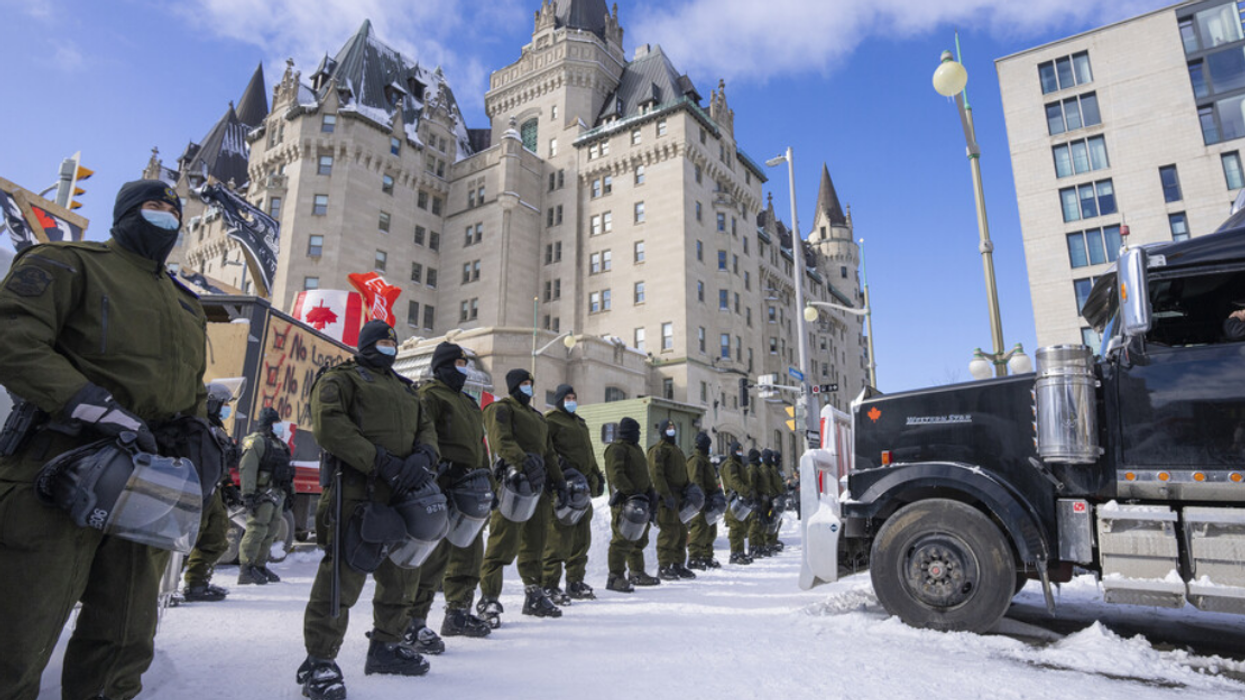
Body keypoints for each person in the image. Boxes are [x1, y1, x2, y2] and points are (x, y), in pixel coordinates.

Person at [0, 180, 209, 700]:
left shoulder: (188, 306)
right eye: (152, 207)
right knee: (19, 632)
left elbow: (192, 387)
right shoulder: (68, 262)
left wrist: (203, 436)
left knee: (124, 635)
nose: (165, 216)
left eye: (173, 210)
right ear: (125, 213)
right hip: (58, 467)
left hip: (149, 481)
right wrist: (95, 405)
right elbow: (13, 340)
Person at [298, 320, 440, 700]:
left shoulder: (408, 390)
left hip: (403, 495)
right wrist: (380, 461)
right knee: (342, 578)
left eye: (392, 341)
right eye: (381, 341)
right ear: (365, 344)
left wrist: (423, 458)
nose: (389, 346)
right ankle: (320, 660)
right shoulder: (342, 380)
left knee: (402, 575)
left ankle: (386, 646)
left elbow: (427, 431)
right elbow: (330, 427)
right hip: (357, 493)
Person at [403, 342, 493, 652]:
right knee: (434, 556)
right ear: (441, 366)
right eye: (457, 362)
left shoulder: (468, 403)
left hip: (469, 487)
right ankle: (412, 622)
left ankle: (458, 612)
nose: (463, 368)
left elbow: (480, 446)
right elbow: (422, 437)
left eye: (464, 362)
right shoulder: (431, 396)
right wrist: (439, 468)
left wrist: (487, 478)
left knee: (470, 551)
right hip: (441, 485)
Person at [477, 368, 566, 625]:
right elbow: (500, 442)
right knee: (502, 542)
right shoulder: (501, 409)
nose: (529, 386)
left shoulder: (538, 418)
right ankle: (489, 598)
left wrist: (558, 480)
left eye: (531, 383)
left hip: (538, 487)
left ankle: (534, 594)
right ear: (514, 386)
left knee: (535, 543)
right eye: (524, 383)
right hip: (513, 484)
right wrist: (525, 463)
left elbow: (549, 452)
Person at [542, 384, 605, 602]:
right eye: (567, 397)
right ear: (559, 400)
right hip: (563, 487)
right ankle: (549, 584)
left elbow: (589, 453)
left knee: (581, 538)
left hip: (583, 489)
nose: (571, 400)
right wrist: (561, 470)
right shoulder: (551, 421)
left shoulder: (580, 423)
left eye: (573, 397)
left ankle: (575, 581)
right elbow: (546, 450)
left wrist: (597, 474)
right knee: (558, 537)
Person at [182, 381, 242, 601]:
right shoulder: (196, 426)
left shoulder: (216, 428)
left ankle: (197, 584)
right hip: (194, 491)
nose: (226, 408)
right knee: (182, 542)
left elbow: (218, 463)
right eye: (223, 404)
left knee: (215, 538)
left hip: (213, 491)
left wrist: (228, 487)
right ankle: (161, 588)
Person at [236, 407, 293, 585]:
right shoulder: (256, 442)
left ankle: (260, 565)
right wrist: (248, 494)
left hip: (277, 493)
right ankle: (246, 569)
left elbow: (286, 472)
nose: (279, 427)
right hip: (262, 494)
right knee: (256, 529)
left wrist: (291, 493)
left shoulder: (280, 445)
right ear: (268, 424)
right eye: (276, 423)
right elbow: (248, 469)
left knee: (271, 531)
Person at [604, 417, 660, 592]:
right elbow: (616, 475)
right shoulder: (616, 449)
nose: (638, 434)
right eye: (636, 431)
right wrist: (632, 492)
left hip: (640, 501)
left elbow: (643, 474)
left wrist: (650, 491)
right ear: (627, 432)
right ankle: (615, 577)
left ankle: (636, 572)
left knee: (638, 539)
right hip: (625, 502)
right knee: (621, 539)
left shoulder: (635, 448)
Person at [648, 419, 695, 580]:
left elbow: (683, 472)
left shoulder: (677, 449)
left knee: (681, 532)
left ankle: (678, 565)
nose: (671, 430)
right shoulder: (659, 450)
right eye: (668, 428)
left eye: (673, 427)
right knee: (669, 532)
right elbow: (657, 475)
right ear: (662, 431)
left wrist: (689, 489)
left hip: (680, 496)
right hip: (667, 497)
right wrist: (665, 495)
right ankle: (664, 567)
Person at [686, 431, 723, 570]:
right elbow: (696, 481)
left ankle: (707, 556)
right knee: (699, 527)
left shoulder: (705, 460)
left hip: (709, 499)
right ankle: (694, 557)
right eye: (708, 445)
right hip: (700, 500)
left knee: (710, 528)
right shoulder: (696, 460)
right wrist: (702, 498)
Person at [720, 441, 754, 565]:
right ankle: (735, 554)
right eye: (737, 450)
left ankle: (740, 552)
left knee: (741, 527)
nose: (740, 452)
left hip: (741, 499)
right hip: (734, 499)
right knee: (736, 528)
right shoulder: (730, 465)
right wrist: (747, 491)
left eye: (741, 450)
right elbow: (734, 482)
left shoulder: (738, 464)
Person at [746, 449, 772, 558]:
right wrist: (755, 499)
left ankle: (759, 545)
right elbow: (751, 486)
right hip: (756, 501)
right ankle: (753, 547)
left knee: (761, 523)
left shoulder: (757, 469)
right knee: (755, 524)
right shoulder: (752, 470)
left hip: (762, 500)